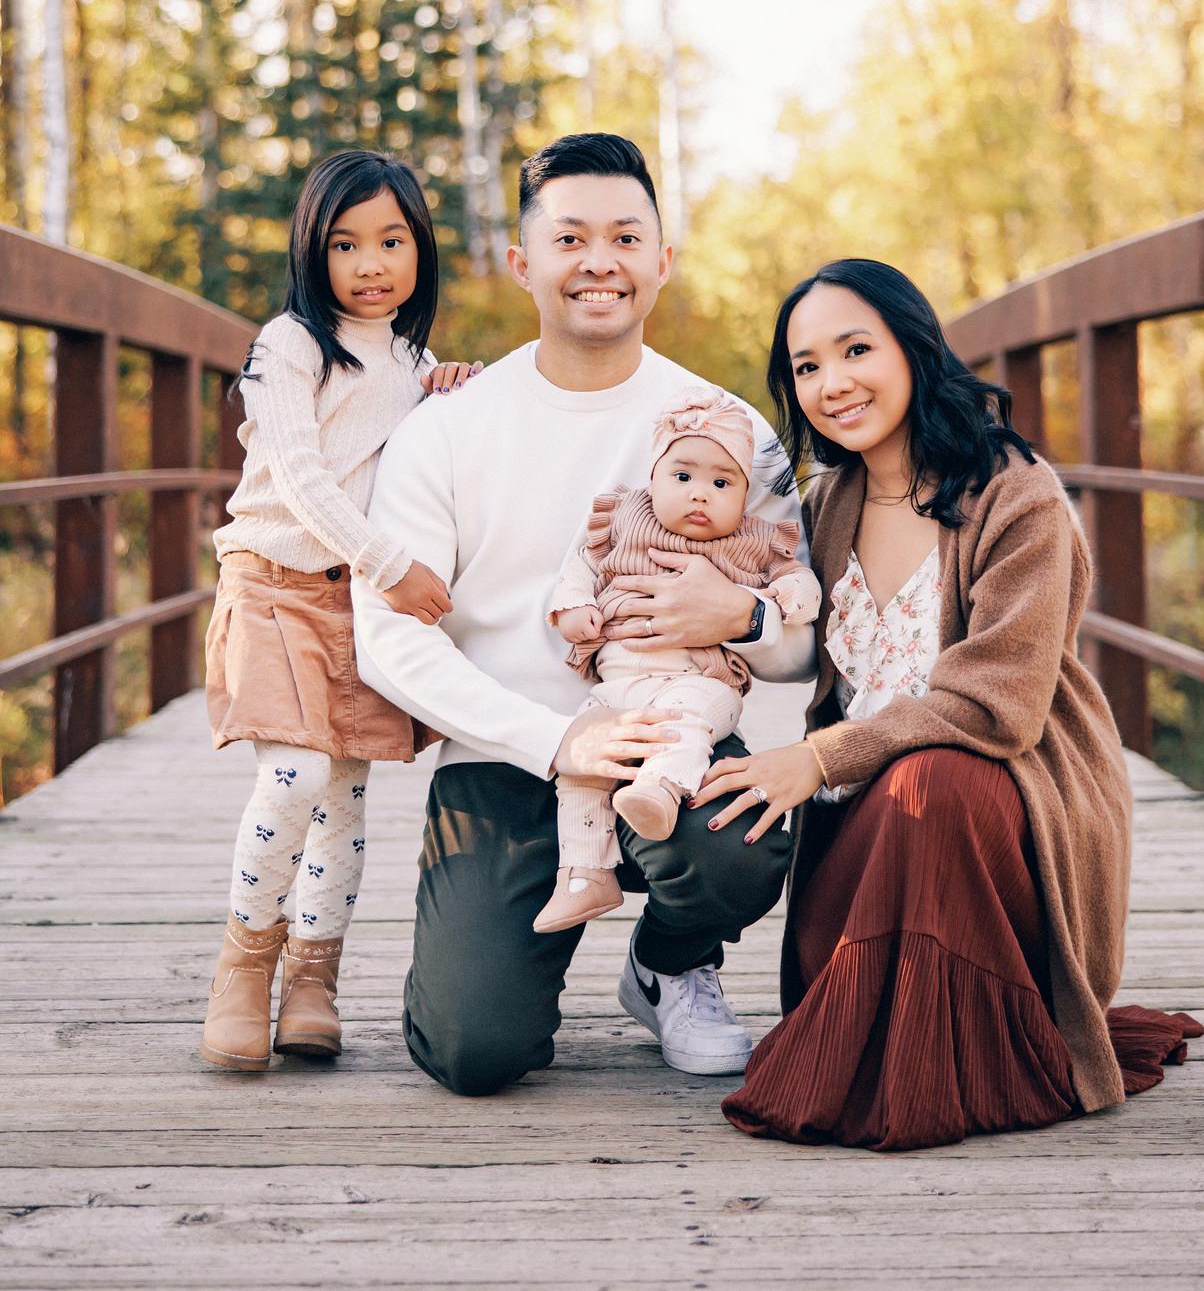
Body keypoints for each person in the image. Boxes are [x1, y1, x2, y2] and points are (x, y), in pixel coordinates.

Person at [695, 258, 1201, 1152]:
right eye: (806, 366)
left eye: (856, 349)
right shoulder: (825, 503)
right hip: (856, 817)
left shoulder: (1016, 492)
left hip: (998, 803)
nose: (832, 382)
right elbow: (735, 583)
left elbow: (993, 705)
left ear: (915, 348)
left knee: (931, 780)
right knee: (870, 800)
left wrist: (813, 758)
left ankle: (965, 1049)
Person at [352, 133, 814, 1089]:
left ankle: (670, 962)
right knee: (470, 1052)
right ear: (524, 264)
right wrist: (552, 742)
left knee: (735, 851)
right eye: (570, 239)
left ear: (660, 261)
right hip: (506, 754)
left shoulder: (727, 428)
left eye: (625, 237)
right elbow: (387, 637)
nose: (598, 262)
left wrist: (739, 617)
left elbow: (802, 646)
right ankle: (506, 953)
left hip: (671, 737)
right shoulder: (448, 426)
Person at [200, 149, 480, 1073]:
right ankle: (244, 966)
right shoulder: (289, 345)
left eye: (391, 241)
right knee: (295, 776)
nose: (370, 264)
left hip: (355, 603)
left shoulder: (410, 355)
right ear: (311, 253)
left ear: (419, 249)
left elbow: (421, 463)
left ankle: (313, 980)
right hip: (276, 581)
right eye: (345, 244)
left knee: (346, 799)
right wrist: (387, 562)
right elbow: (299, 472)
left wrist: (447, 397)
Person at [534, 385, 821, 934]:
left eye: (721, 483)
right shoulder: (621, 515)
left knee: (683, 723)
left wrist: (791, 595)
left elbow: (792, 578)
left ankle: (663, 790)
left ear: (745, 496)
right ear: (654, 475)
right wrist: (571, 608)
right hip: (615, 685)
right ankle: (585, 872)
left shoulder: (756, 539)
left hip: (700, 681)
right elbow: (582, 565)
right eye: (682, 477)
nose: (700, 495)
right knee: (582, 769)